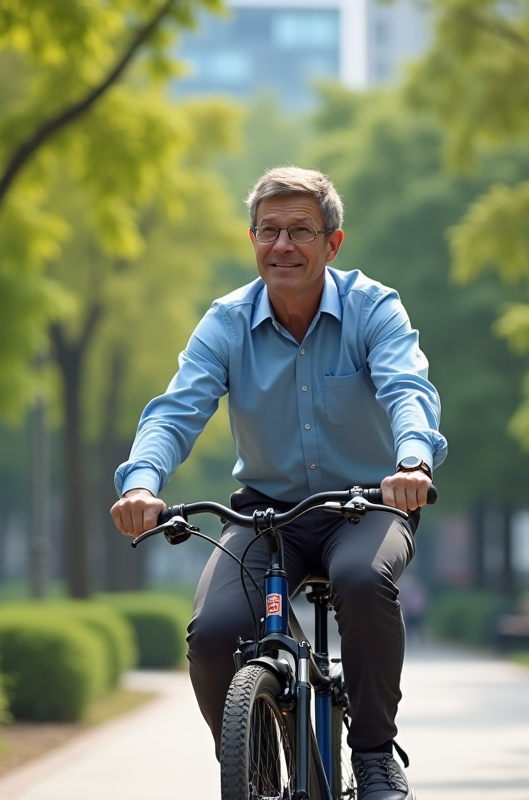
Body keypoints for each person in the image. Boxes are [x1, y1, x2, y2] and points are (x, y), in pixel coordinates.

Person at [110, 166, 447, 800]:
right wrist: (142, 483)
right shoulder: (227, 322)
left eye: (300, 231)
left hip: (368, 504)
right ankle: (254, 755)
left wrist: (412, 464)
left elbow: (409, 390)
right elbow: (176, 410)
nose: (283, 245)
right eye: (270, 231)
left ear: (333, 243)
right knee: (212, 636)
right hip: (265, 515)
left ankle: (374, 754)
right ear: (252, 239)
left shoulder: (374, 307)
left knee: (359, 579)